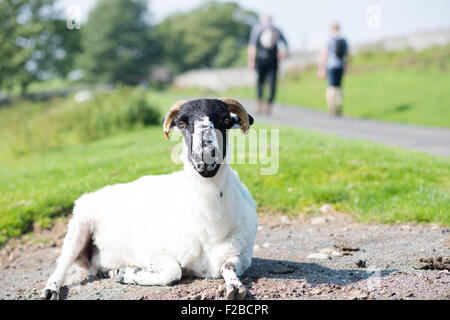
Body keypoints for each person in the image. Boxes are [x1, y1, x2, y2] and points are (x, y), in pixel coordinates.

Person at [248, 14, 288, 115]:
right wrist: (282, 53)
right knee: (272, 83)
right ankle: (268, 105)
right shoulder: (276, 29)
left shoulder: (258, 29)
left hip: (261, 59)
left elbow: (252, 46)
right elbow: (285, 45)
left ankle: (259, 103)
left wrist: (251, 60)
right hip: (273, 60)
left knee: (260, 82)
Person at [317, 22, 349, 116]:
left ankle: (331, 107)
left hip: (331, 66)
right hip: (340, 65)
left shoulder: (329, 40)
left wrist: (321, 68)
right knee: (339, 88)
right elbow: (347, 54)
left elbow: (324, 54)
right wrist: (346, 64)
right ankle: (339, 106)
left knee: (331, 88)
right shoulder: (343, 40)